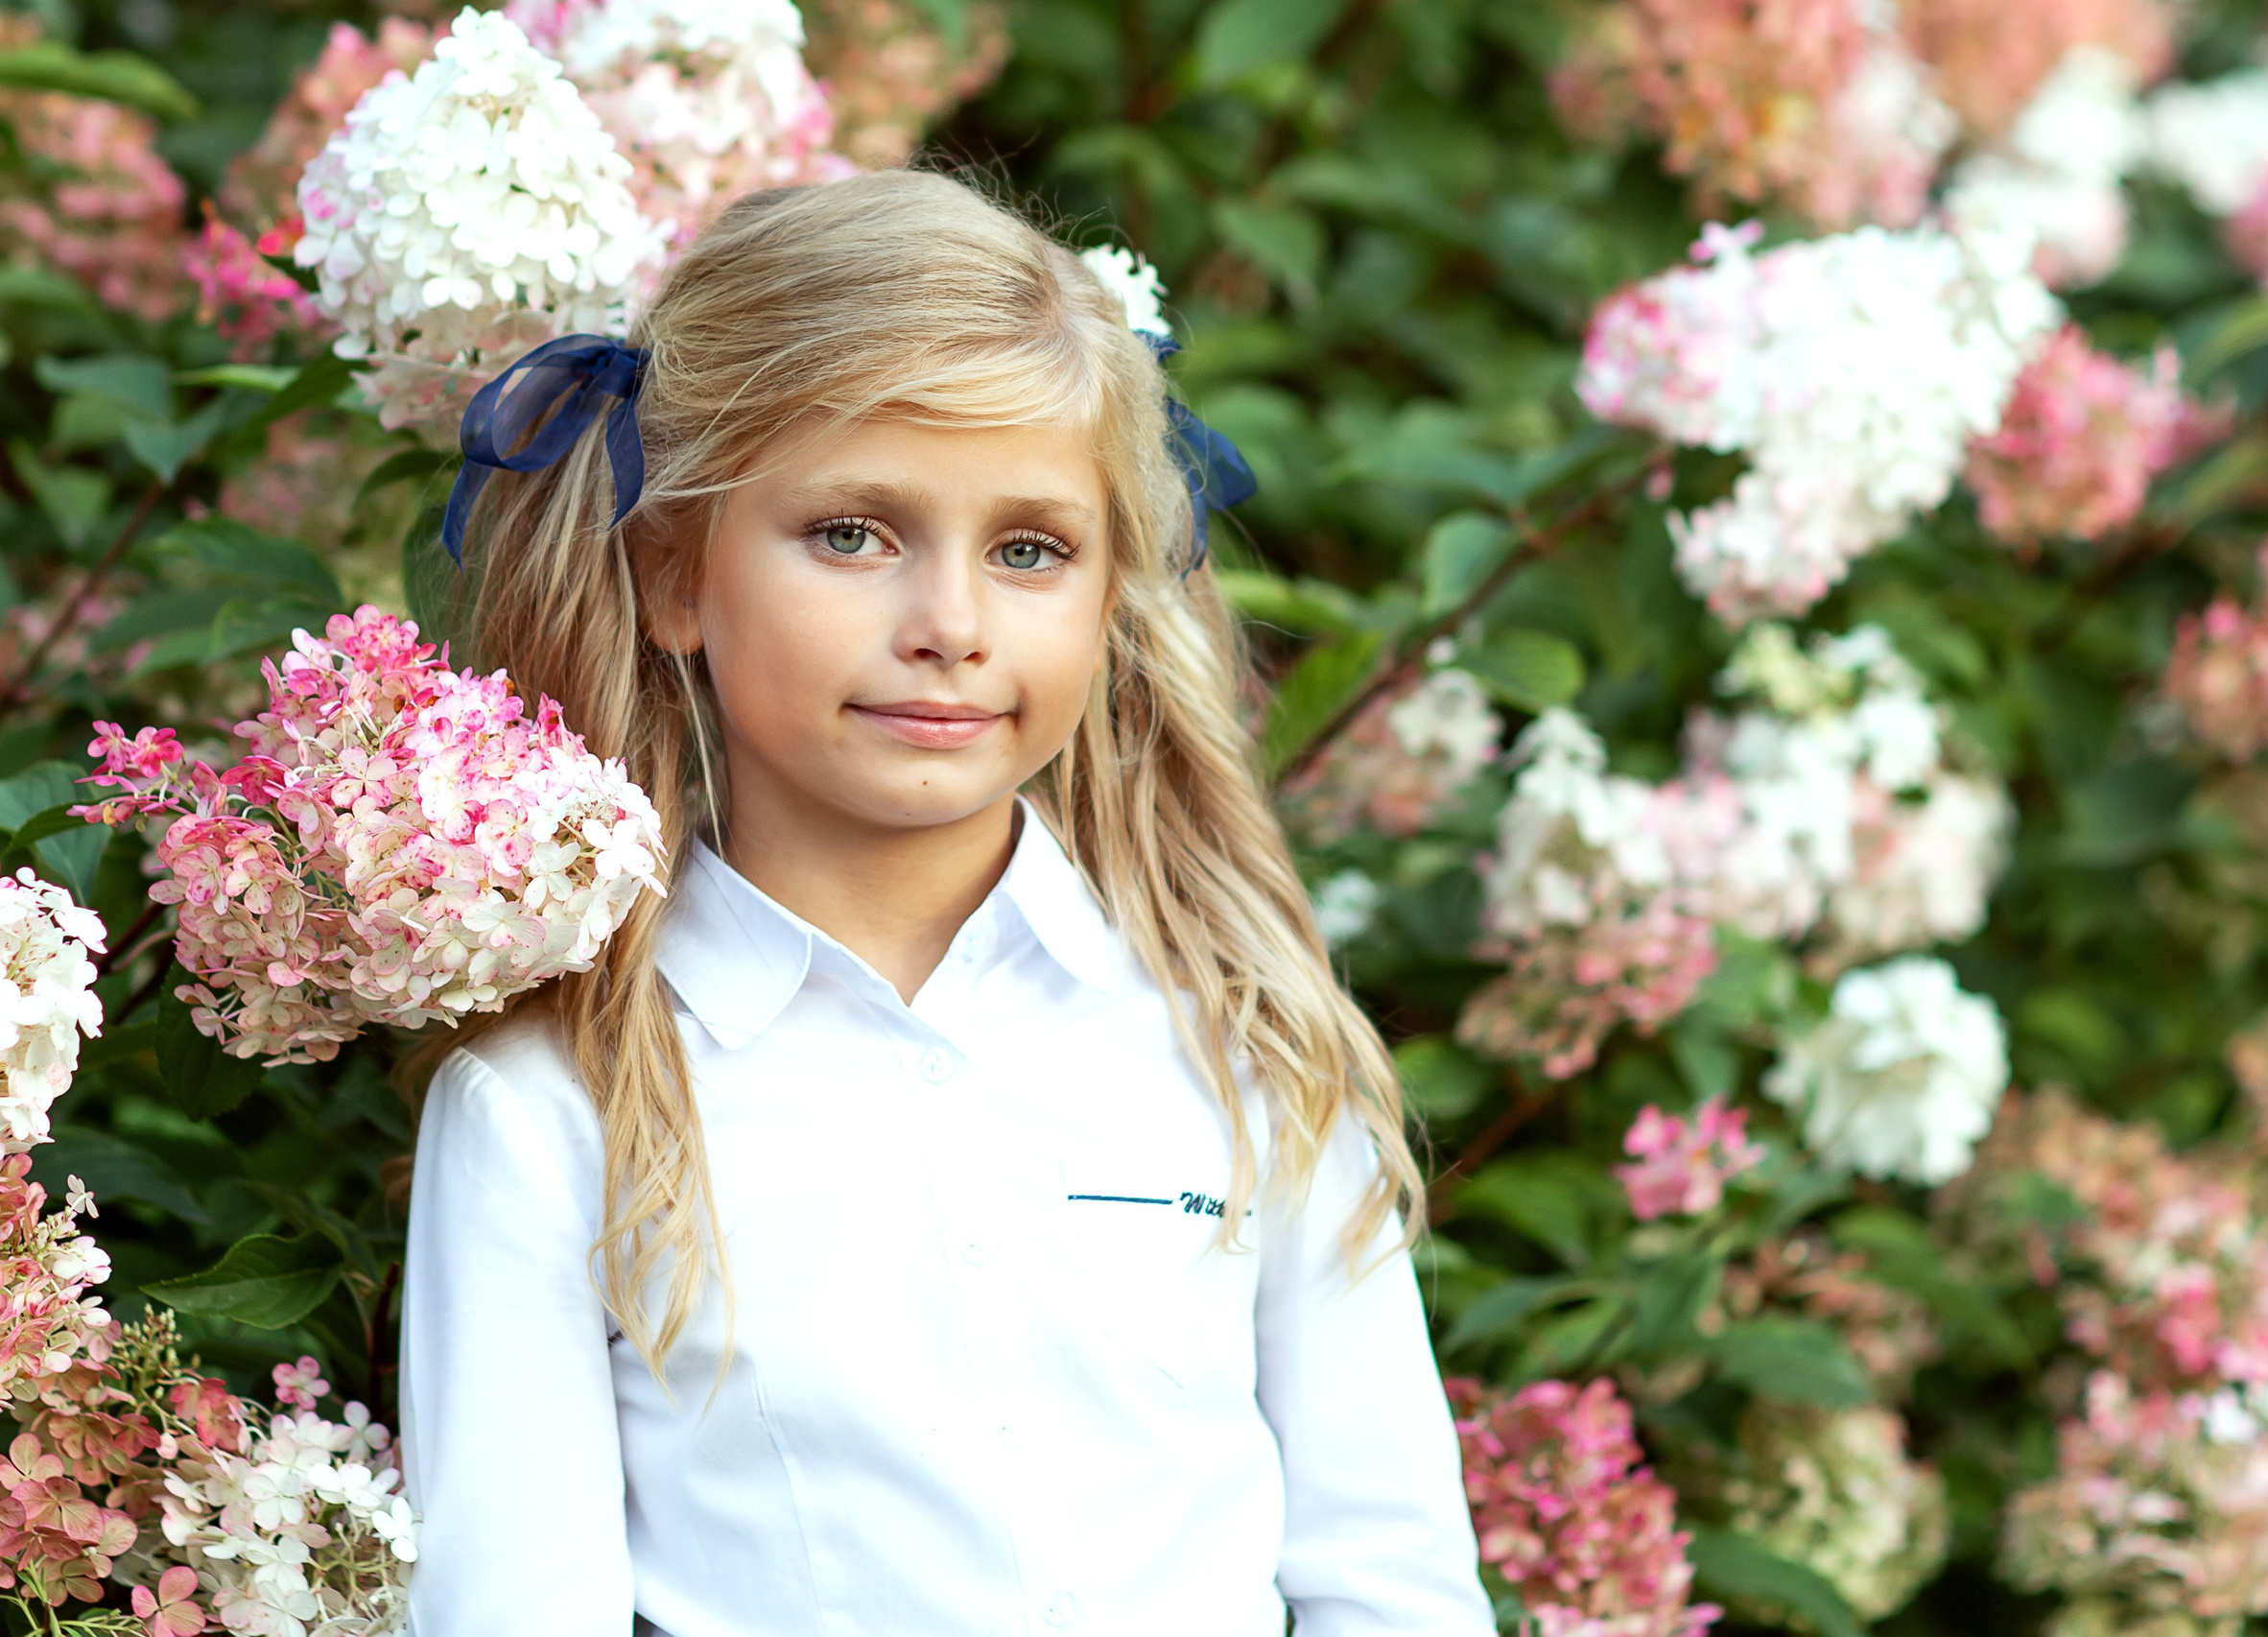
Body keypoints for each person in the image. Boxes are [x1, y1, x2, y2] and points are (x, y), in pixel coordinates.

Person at [398, 170, 1493, 1635]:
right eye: (853, 532)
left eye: (1029, 549)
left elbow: (1393, 1588)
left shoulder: (1250, 1055)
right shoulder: (554, 1116)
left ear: (1108, 596)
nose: (952, 628)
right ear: (675, 574)